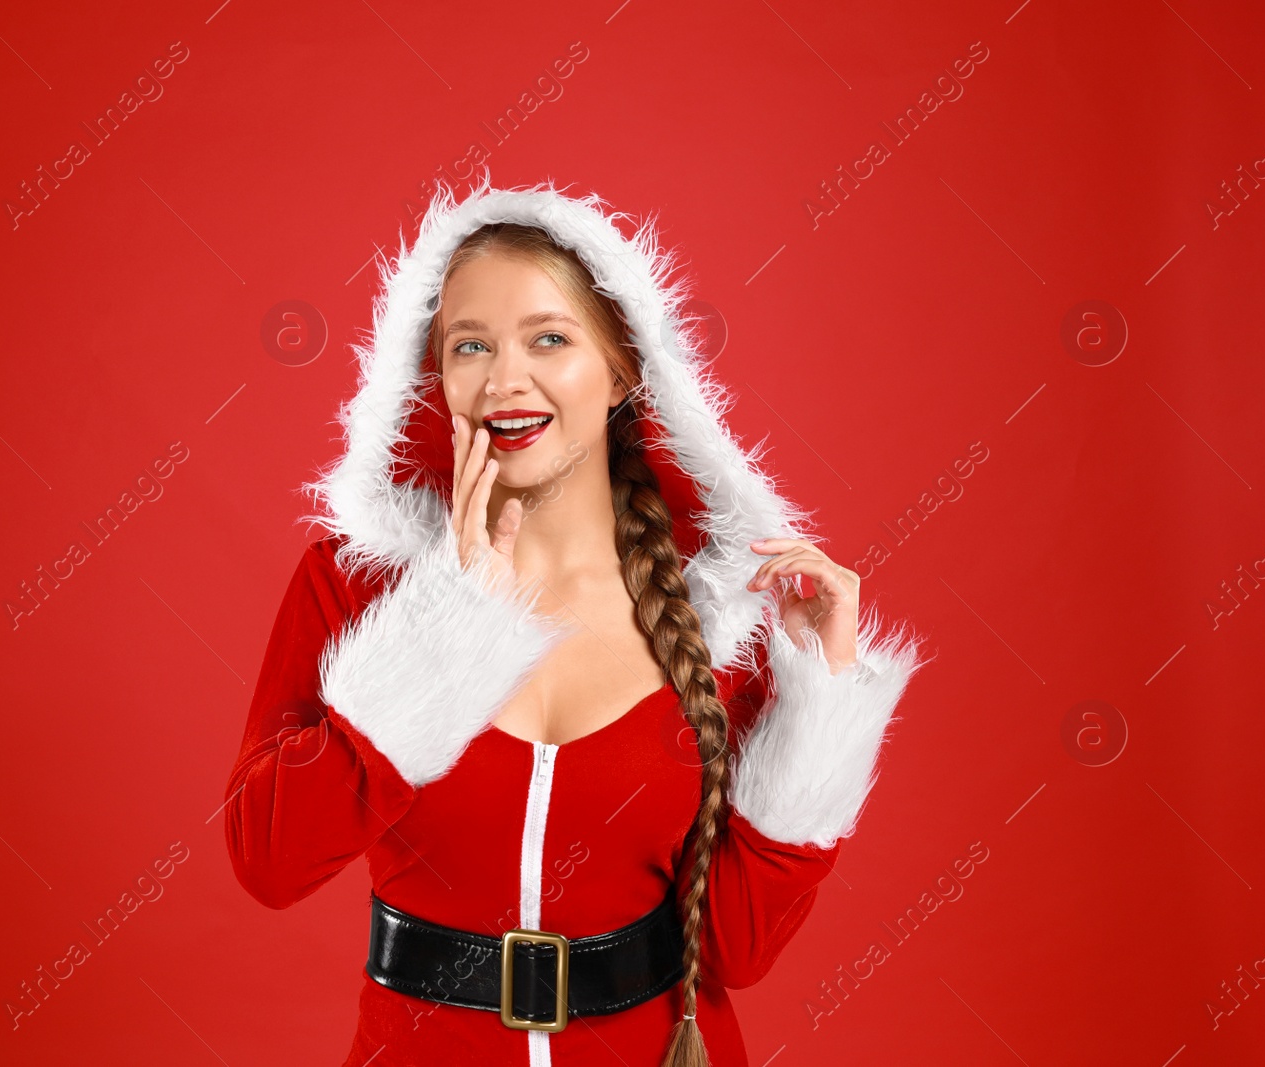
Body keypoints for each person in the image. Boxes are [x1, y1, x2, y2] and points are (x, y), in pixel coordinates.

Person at [225, 177, 927, 1066]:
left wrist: (815, 705)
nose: (503, 381)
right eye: (468, 345)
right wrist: (439, 635)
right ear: (435, 372)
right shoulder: (361, 584)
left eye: (549, 339)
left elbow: (735, 952)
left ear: (624, 369)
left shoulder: (726, 610)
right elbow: (271, 861)